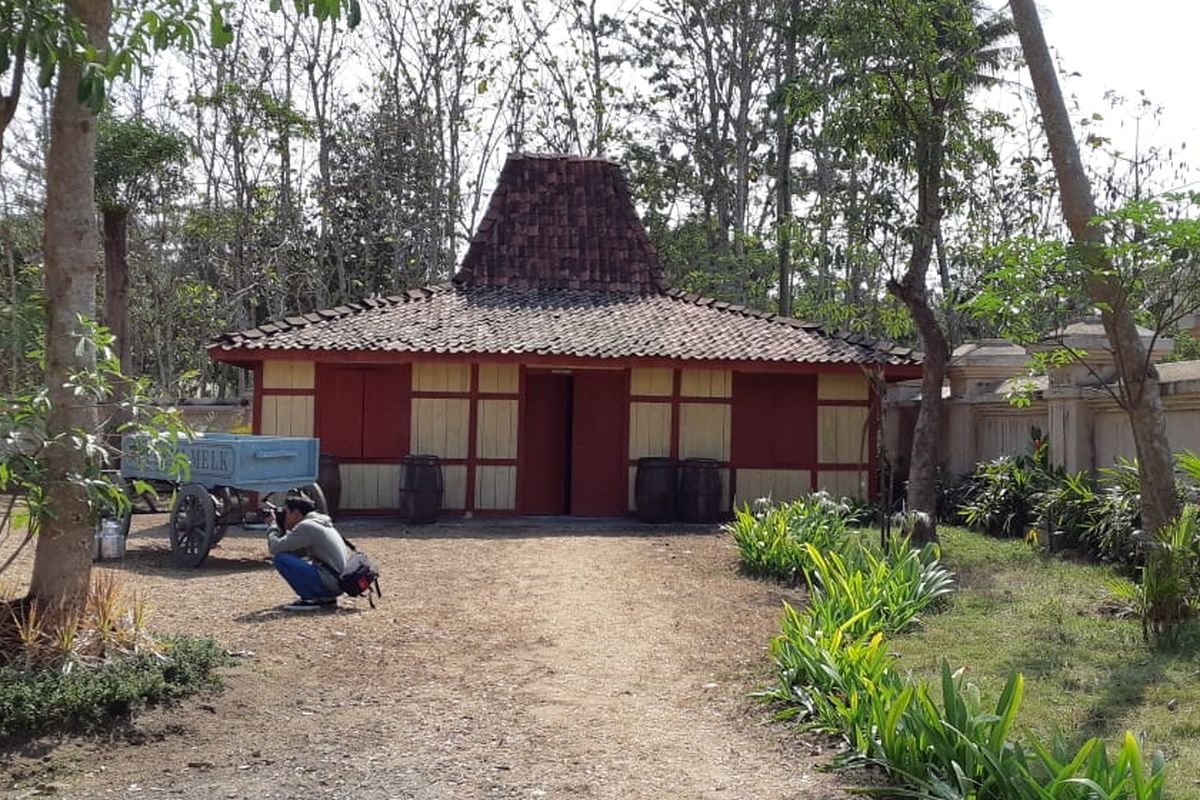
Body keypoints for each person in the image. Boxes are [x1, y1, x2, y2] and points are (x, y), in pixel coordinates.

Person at [267, 491, 350, 611]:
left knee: (280, 558)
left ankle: (310, 599)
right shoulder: (320, 523)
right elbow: (296, 552)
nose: (282, 516)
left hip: (331, 581)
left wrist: (272, 526)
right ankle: (326, 598)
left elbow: (275, 548)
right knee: (288, 557)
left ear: (296, 514)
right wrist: (282, 529)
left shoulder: (307, 526)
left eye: (285, 512)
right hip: (336, 581)